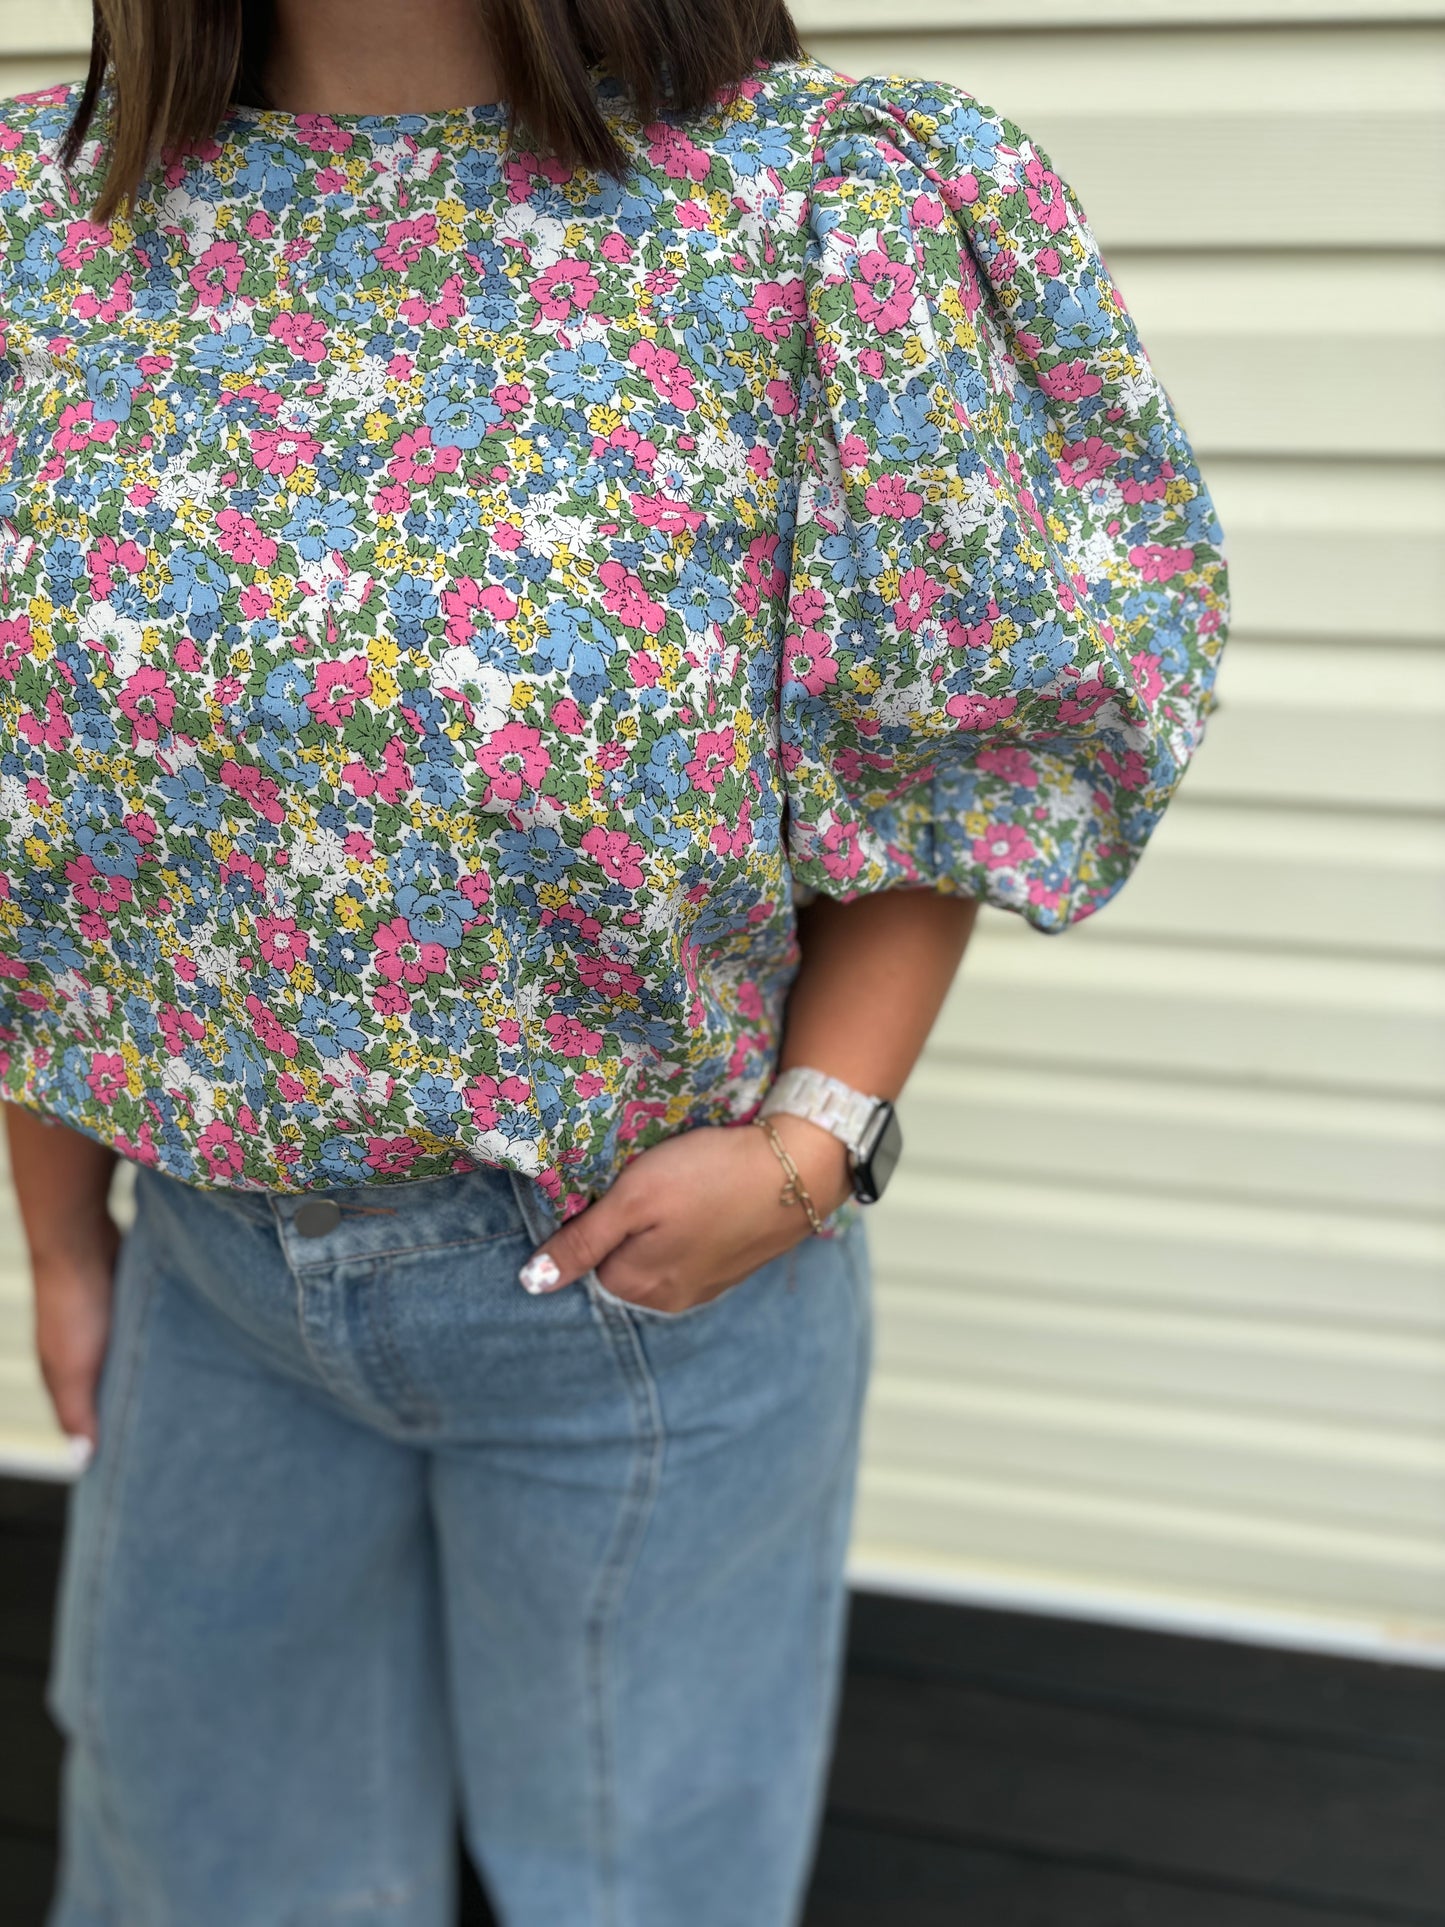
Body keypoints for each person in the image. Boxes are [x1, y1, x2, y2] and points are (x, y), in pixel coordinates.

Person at [0, 0, 1228, 1919]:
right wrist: (65, 1236)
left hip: (641, 1304)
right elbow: (40, 823)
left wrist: (812, 1143)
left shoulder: (808, 210)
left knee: (638, 1887)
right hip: (212, 1290)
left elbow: (934, 741)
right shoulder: (52, 220)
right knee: (207, 1877)